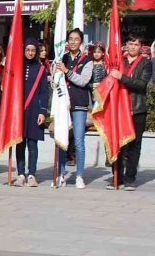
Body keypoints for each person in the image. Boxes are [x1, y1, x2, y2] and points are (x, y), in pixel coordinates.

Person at [109, 33, 152, 190]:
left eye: (136, 44)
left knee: (134, 145)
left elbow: (141, 84)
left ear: (140, 47)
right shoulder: (121, 62)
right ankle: (117, 177)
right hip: (120, 109)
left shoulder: (146, 63)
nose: (132, 47)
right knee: (119, 144)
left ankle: (130, 178)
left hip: (137, 109)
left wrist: (121, 77)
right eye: (130, 44)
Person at [54, 28, 94, 189]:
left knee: (78, 140)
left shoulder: (87, 60)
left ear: (81, 42)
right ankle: (62, 173)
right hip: (63, 105)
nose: (73, 42)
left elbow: (83, 81)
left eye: (76, 39)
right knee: (62, 139)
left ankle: (79, 175)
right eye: (70, 39)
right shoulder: (60, 57)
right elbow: (54, 81)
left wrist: (67, 71)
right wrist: (56, 72)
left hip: (79, 104)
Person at [13, 39, 48, 187]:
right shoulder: (17, 67)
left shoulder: (41, 69)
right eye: (28, 50)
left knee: (32, 143)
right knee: (20, 144)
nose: (30, 53)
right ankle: (21, 174)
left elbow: (44, 92)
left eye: (33, 50)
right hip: (19, 110)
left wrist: (42, 111)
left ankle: (32, 174)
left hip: (34, 110)